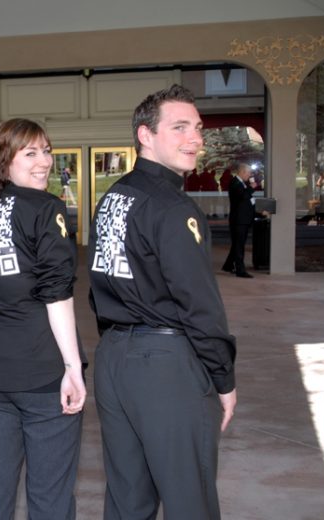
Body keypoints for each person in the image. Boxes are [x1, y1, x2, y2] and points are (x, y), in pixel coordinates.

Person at [88, 84, 237, 520]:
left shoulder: (113, 197)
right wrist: (222, 378)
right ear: (145, 135)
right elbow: (200, 306)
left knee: (127, 500)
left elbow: (100, 284)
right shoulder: (173, 208)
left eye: (197, 128)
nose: (195, 139)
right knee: (191, 500)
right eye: (179, 128)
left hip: (115, 360)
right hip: (165, 367)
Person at [0, 118, 87, 520]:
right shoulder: (44, 208)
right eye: (30, 153)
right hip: (41, 374)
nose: (44, 161)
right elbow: (57, 296)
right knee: (49, 495)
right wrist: (72, 367)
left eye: (47, 151)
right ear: (3, 161)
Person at [222, 160, 257, 278]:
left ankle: (228, 265)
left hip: (243, 219)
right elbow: (242, 196)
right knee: (239, 245)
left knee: (237, 244)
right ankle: (240, 270)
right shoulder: (235, 183)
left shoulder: (242, 183)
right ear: (242, 172)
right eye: (248, 173)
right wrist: (251, 188)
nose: (250, 175)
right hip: (238, 220)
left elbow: (247, 199)